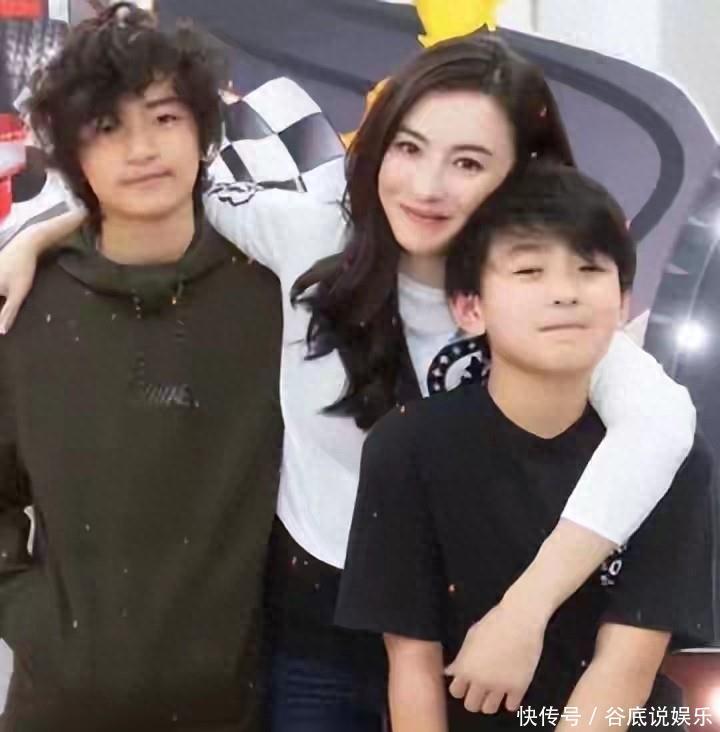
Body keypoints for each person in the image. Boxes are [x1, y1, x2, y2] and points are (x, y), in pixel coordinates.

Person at [0, 34, 697, 731]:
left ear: (521, 175)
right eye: (409, 148)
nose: (426, 187)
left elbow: (662, 427)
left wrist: (526, 609)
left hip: (476, 642)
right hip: (312, 640)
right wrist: (32, 239)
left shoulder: (532, 298)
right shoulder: (307, 236)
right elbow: (158, 184)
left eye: (468, 162)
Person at [336, 163, 714, 732]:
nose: (564, 294)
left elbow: (626, 664)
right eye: (529, 271)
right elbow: (412, 663)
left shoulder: (673, 457)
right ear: (470, 307)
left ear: (624, 302)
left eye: (589, 269)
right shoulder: (408, 446)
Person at [0, 4, 282, 730]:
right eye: (107, 127)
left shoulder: (274, 296)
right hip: (59, 708)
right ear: (73, 153)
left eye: (164, 118)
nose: (142, 149)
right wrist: (36, 623)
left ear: (202, 129)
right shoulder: (22, 306)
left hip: (232, 707)